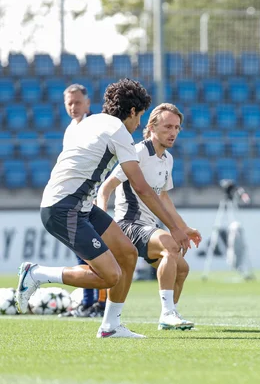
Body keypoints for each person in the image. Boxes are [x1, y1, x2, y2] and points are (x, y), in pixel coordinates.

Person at [15, 79, 190, 339]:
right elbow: (142, 188)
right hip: (64, 208)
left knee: (128, 254)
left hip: (77, 204)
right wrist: (176, 228)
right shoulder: (119, 131)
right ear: (132, 112)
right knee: (109, 276)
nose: (138, 124)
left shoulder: (90, 121)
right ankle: (37, 273)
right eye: (140, 116)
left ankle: (110, 327)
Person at [97, 103, 202, 330]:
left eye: (176, 127)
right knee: (170, 246)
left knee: (182, 269)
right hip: (128, 225)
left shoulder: (167, 159)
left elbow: (162, 197)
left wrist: (183, 228)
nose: (173, 132)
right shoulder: (138, 152)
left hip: (148, 228)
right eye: (167, 127)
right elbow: (105, 188)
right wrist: (103, 223)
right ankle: (167, 313)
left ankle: (169, 317)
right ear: (152, 127)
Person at [60, 83, 107, 318]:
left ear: (88, 103)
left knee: (97, 250)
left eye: (78, 102)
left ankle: (101, 303)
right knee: (80, 250)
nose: (73, 107)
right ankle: (87, 303)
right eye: (69, 103)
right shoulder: (71, 129)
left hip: (91, 197)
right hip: (73, 199)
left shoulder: (94, 126)